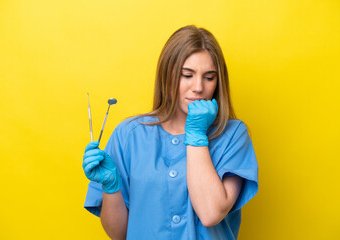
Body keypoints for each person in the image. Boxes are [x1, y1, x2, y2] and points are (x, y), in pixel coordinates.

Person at [82, 25, 258, 239]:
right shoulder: (128, 135)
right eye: (187, 75)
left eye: (209, 77)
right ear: (168, 75)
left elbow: (211, 213)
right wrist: (111, 187)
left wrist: (196, 134)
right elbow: (119, 235)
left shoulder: (232, 135)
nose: (198, 87)